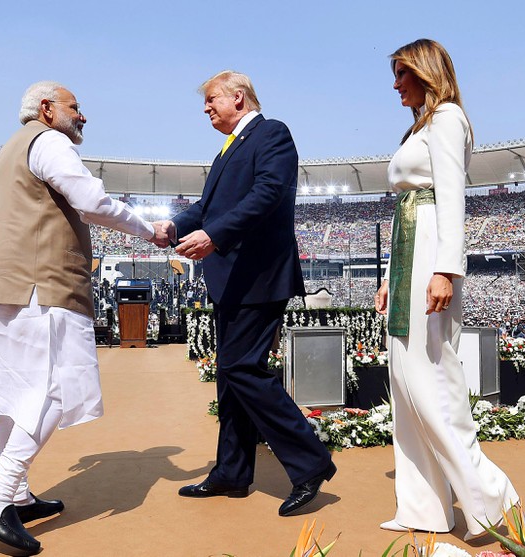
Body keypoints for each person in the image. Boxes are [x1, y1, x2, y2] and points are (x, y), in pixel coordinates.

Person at [0, 81, 167, 555]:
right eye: (76, 106)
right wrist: (149, 229)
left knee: (11, 394)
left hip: (0, 288)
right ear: (47, 109)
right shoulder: (49, 141)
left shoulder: (10, 149)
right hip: (43, 288)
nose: (82, 115)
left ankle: (17, 496)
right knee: (56, 388)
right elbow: (92, 202)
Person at [155, 70, 336, 517]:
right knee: (231, 377)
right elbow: (206, 207)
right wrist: (173, 225)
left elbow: (268, 193)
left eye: (212, 99)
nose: (206, 108)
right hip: (233, 279)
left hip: (259, 276)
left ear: (238, 97)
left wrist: (214, 235)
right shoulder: (228, 149)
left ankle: (310, 463)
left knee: (243, 369)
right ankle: (232, 472)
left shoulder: (271, 133)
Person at [373, 39, 518, 539]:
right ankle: (424, 509)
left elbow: (452, 197)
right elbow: (406, 210)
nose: (396, 84)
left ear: (426, 72)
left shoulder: (449, 118)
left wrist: (445, 270)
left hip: (431, 248)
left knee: (431, 378)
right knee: (405, 381)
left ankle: (489, 499)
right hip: (409, 249)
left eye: (402, 74)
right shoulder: (420, 127)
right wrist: (389, 279)